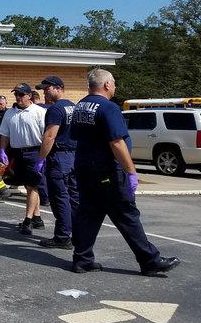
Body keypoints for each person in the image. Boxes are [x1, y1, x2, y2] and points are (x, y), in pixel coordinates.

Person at [70, 69, 179, 276]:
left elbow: (76, 136)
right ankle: (150, 261)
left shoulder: (80, 106)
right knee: (127, 215)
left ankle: (82, 260)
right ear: (107, 85)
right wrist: (131, 172)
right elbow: (117, 142)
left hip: (85, 169)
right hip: (107, 171)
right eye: (114, 83)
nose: (115, 87)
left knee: (89, 214)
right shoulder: (109, 108)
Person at [0, 83, 47, 235]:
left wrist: (43, 157)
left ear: (29, 96)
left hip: (34, 152)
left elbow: (46, 135)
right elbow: (4, 134)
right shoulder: (9, 113)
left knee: (32, 186)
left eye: (21, 94)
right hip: (17, 153)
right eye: (16, 94)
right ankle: (37, 217)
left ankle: (28, 220)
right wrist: (2, 150)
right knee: (28, 185)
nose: (18, 97)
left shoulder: (39, 112)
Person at [35, 76, 77, 249]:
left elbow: (50, 136)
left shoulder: (56, 109)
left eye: (47, 88)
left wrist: (41, 159)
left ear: (59, 88)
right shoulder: (74, 107)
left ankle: (62, 237)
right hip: (74, 156)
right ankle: (77, 233)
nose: (44, 91)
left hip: (59, 157)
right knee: (75, 197)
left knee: (60, 198)